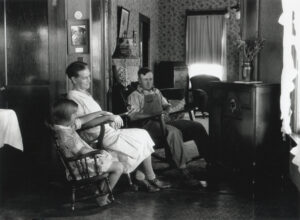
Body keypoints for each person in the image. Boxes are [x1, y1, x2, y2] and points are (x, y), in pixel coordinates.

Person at [65, 61, 170, 192]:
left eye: (89, 76)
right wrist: (108, 117)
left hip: (106, 129)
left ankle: (142, 176)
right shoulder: (73, 97)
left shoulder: (85, 93)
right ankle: (149, 177)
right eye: (84, 77)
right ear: (73, 79)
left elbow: (93, 116)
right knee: (142, 135)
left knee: (143, 135)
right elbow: (81, 124)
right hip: (97, 135)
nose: (89, 80)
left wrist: (117, 115)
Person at [128, 67, 210, 187]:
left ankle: (211, 161)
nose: (148, 82)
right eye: (145, 80)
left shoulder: (156, 91)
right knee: (173, 132)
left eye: (150, 79)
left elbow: (166, 104)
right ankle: (182, 169)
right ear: (139, 80)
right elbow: (132, 117)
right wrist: (152, 114)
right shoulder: (134, 95)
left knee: (196, 126)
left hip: (161, 122)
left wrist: (166, 110)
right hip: (146, 126)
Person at [51, 99, 123, 206]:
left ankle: (100, 192)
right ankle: (102, 197)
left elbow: (83, 120)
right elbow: (80, 152)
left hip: (82, 162)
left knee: (113, 157)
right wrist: (98, 152)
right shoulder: (65, 136)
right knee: (118, 167)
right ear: (68, 116)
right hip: (80, 167)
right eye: (75, 113)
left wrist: (100, 112)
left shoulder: (64, 126)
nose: (77, 115)